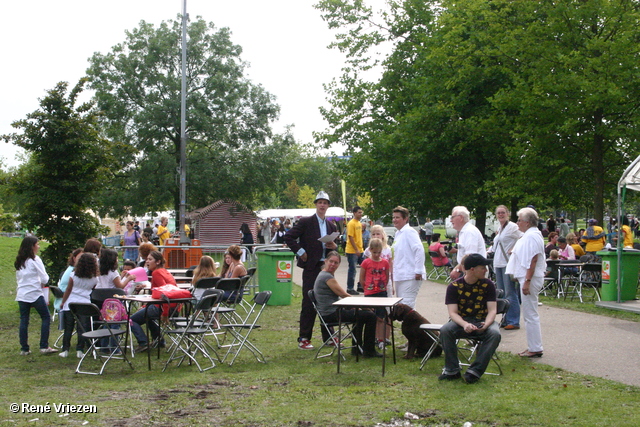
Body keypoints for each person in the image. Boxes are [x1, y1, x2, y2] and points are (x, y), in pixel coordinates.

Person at [284, 191, 338, 350]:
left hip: (326, 268)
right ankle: (304, 338)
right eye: (320, 202)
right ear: (316, 204)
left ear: (328, 206)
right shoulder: (306, 222)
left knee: (328, 302)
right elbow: (289, 237)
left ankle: (329, 337)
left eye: (325, 203)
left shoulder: (331, 226)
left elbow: (334, 247)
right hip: (311, 267)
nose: (322, 205)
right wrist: (301, 252)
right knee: (309, 302)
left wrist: (334, 246)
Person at [438, 253, 501, 384]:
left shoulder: (488, 284)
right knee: (446, 330)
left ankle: (475, 372)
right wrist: (465, 324)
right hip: (462, 321)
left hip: (483, 320)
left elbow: (492, 310)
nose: (486, 270)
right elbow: (453, 313)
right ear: (472, 269)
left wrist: (487, 323)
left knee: (494, 333)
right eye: (483, 267)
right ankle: (452, 370)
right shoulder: (453, 287)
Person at [313, 251, 381, 357]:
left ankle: (357, 349)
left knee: (359, 314)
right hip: (330, 314)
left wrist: (358, 307)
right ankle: (369, 350)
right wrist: (366, 306)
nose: (333, 264)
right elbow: (344, 295)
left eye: (336, 263)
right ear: (325, 261)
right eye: (331, 261)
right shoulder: (327, 277)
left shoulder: (323, 274)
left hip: (329, 312)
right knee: (370, 316)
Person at [506, 207, 546, 358]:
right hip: (526, 277)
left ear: (527, 222)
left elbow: (533, 260)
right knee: (529, 314)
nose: (517, 223)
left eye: (519, 220)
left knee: (530, 314)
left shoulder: (532, 236)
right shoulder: (528, 235)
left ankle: (535, 347)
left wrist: (527, 281)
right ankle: (533, 345)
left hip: (530, 278)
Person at [15, 236, 58, 355]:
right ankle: (43, 346)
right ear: (32, 246)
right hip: (34, 293)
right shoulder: (35, 259)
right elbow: (45, 277)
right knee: (45, 317)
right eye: (37, 244)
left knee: (24, 320)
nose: (38, 246)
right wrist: (41, 283)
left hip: (22, 293)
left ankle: (24, 348)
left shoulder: (20, 260)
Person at [130, 251, 177, 353]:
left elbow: (165, 293)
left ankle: (143, 343)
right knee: (148, 316)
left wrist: (164, 314)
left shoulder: (157, 273)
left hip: (164, 307)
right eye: (147, 259)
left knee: (131, 320)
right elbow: (158, 295)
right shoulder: (164, 271)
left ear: (158, 261)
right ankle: (159, 341)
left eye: (150, 259)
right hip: (174, 306)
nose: (147, 261)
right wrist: (145, 306)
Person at [59, 253, 99, 358]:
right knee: (82, 327)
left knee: (68, 327)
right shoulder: (95, 279)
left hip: (71, 303)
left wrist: (63, 302)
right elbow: (92, 289)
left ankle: (65, 349)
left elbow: (68, 290)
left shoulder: (73, 275)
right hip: (85, 303)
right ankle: (80, 350)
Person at [489, 205, 523, 330]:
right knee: (502, 293)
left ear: (507, 213)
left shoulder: (513, 227)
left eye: (503, 212)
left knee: (510, 292)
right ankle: (506, 319)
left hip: (507, 263)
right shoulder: (500, 228)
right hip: (498, 263)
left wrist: (514, 249)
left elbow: (523, 237)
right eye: (498, 213)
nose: (500, 215)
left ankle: (513, 321)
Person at [391, 206, 425, 309]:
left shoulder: (409, 232)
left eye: (397, 217)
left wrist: (418, 270)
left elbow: (419, 250)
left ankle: (412, 325)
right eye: (393, 217)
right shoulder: (398, 233)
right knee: (401, 305)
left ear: (405, 219)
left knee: (407, 306)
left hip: (410, 275)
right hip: (400, 275)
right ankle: (408, 325)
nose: (394, 220)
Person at [359, 238, 391, 346]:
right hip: (370, 293)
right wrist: (367, 289)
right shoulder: (366, 262)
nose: (377, 255)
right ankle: (371, 339)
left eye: (379, 252)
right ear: (370, 250)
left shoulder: (385, 263)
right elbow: (361, 279)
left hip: (381, 292)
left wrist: (382, 287)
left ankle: (381, 339)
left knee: (381, 317)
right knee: (371, 317)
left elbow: (386, 277)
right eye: (374, 252)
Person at [449, 206, 487, 280]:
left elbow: (470, 256)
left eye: (452, 217)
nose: (451, 220)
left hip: (474, 272)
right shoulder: (464, 231)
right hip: (469, 271)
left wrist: (458, 270)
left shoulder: (469, 232)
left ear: (461, 218)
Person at [55, 248, 84, 329]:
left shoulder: (71, 269)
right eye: (80, 257)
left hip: (66, 299)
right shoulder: (73, 271)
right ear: (74, 258)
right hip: (67, 300)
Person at [345, 206, 364, 295]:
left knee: (365, 267)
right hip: (352, 251)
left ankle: (360, 285)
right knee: (352, 269)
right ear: (354, 213)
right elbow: (351, 237)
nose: (361, 214)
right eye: (359, 212)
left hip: (360, 249)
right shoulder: (351, 223)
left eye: (361, 212)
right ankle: (350, 288)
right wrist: (356, 249)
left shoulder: (359, 223)